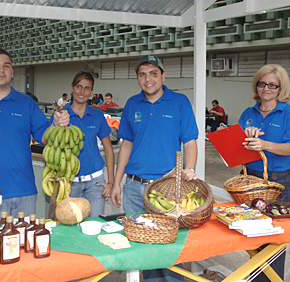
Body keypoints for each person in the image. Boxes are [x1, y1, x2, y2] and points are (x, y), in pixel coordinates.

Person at [111, 55, 198, 282]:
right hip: (134, 188)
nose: (148, 79)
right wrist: (117, 183)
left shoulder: (179, 102)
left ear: (163, 75)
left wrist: (189, 169)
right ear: (138, 78)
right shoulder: (132, 104)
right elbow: (126, 144)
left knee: (170, 249)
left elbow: (190, 141)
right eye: (142, 74)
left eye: (153, 73)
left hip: (166, 190)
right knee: (144, 248)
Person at [0, 48, 69, 217]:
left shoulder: (26, 103)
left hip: (24, 190)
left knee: (25, 242)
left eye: (6, 66)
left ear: (12, 72)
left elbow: (45, 138)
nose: (1, 70)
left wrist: (56, 123)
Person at [239, 64, 290, 282]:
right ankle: (254, 278)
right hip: (249, 180)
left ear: (280, 88)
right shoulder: (249, 113)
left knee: (274, 238)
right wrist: (240, 139)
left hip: (277, 181)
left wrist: (264, 144)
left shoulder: (289, 113)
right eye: (262, 83)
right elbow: (237, 148)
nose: (266, 88)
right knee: (251, 236)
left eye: (272, 85)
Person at [56, 71, 114, 217]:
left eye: (87, 88)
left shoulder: (97, 115)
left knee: (94, 227)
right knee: (69, 229)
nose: (82, 92)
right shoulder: (61, 115)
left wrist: (111, 182)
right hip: (69, 183)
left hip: (95, 183)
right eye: (79, 87)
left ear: (92, 92)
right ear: (72, 88)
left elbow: (108, 150)